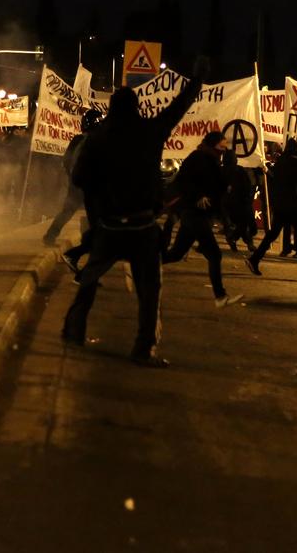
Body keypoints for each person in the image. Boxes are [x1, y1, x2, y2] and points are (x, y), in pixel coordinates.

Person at [61, 56, 209, 366]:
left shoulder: (98, 139)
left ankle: (74, 329)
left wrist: (102, 193)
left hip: (110, 226)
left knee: (89, 279)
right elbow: (178, 108)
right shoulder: (150, 131)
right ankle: (144, 349)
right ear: (137, 107)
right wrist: (196, 81)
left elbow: (79, 178)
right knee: (149, 290)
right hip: (143, 227)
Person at [162, 132, 244, 307]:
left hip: (200, 214)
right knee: (215, 254)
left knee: (176, 253)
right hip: (193, 213)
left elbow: (216, 185)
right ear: (214, 143)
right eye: (223, 145)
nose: (225, 148)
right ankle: (220, 296)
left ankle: (140, 265)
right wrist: (198, 196)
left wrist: (228, 173)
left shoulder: (214, 160)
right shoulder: (198, 157)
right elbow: (184, 181)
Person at [244, 138, 297, 277]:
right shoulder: (295, 163)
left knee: (273, 234)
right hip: (291, 205)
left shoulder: (281, 162)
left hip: (281, 204)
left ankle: (254, 259)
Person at [43, 109, 98, 246]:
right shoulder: (97, 139)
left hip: (76, 183)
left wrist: (72, 177)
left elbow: (66, 161)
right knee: (95, 213)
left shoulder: (77, 139)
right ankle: (91, 242)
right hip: (91, 185)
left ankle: (50, 236)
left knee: (67, 211)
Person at [221, 150, 256, 252]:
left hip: (234, 203)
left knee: (243, 225)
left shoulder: (228, 170)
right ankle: (245, 242)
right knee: (244, 224)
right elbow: (248, 185)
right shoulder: (237, 170)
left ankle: (234, 238)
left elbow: (247, 185)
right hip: (237, 203)